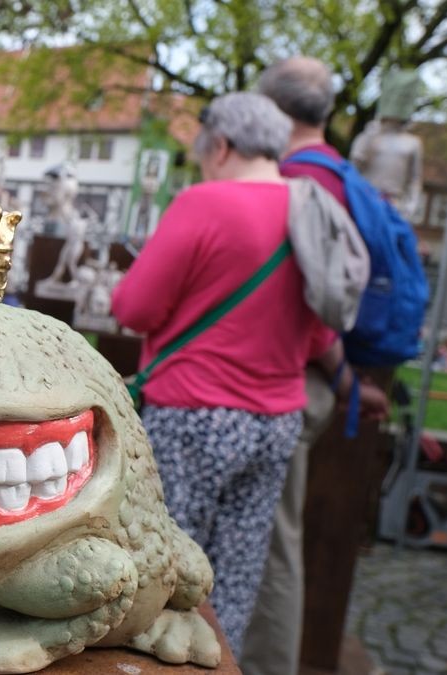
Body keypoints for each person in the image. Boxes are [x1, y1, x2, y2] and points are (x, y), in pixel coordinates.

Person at [111, 92, 361, 653]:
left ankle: (156, 662)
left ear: (220, 145)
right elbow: (320, 330)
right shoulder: (312, 210)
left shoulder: (207, 203)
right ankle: (220, 662)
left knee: (169, 566)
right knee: (239, 570)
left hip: (196, 416)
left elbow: (135, 309)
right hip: (277, 422)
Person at [243, 56, 390, 675]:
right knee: (272, 539)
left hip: (297, 382)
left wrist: (344, 376)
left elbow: (310, 307)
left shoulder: (303, 183)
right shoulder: (338, 174)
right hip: (313, 381)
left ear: (274, 112)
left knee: (274, 547)